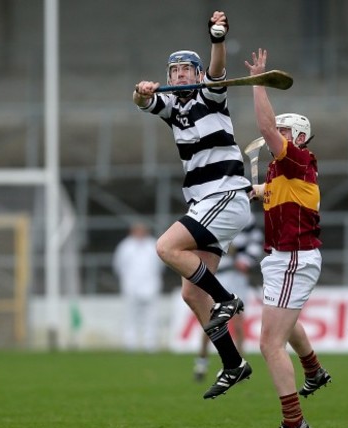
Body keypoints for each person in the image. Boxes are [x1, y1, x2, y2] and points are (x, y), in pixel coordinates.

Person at [133, 11, 253, 399]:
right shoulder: (175, 110)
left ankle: (227, 298)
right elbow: (142, 103)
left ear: (198, 75)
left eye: (187, 69)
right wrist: (142, 92)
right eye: (175, 70)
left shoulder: (210, 98)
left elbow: (218, 70)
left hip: (224, 196)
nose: (180, 75)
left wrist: (217, 38)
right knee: (190, 294)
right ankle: (233, 363)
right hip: (205, 202)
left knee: (166, 247)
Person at [245, 48, 331, 428]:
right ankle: (313, 370)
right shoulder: (283, 173)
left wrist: (258, 83)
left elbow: (264, 131)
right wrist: (242, 190)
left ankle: (295, 424)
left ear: (297, 136)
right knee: (284, 325)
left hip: (293, 257)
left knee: (268, 343)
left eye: (283, 130)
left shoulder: (299, 158)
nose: (274, 134)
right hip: (283, 258)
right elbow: (261, 190)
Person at [193, 213, 264, 381]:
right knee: (213, 321)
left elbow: (256, 242)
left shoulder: (247, 217)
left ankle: (239, 366)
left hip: (238, 276)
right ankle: (201, 362)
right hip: (220, 275)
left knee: (238, 323)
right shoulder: (216, 211)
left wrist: (245, 260)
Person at [112, 222, 164, 352]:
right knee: (130, 315)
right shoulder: (125, 246)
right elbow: (118, 266)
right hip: (131, 285)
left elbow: (160, 265)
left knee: (151, 315)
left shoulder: (153, 244)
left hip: (151, 285)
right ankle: (130, 343)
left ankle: (150, 343)